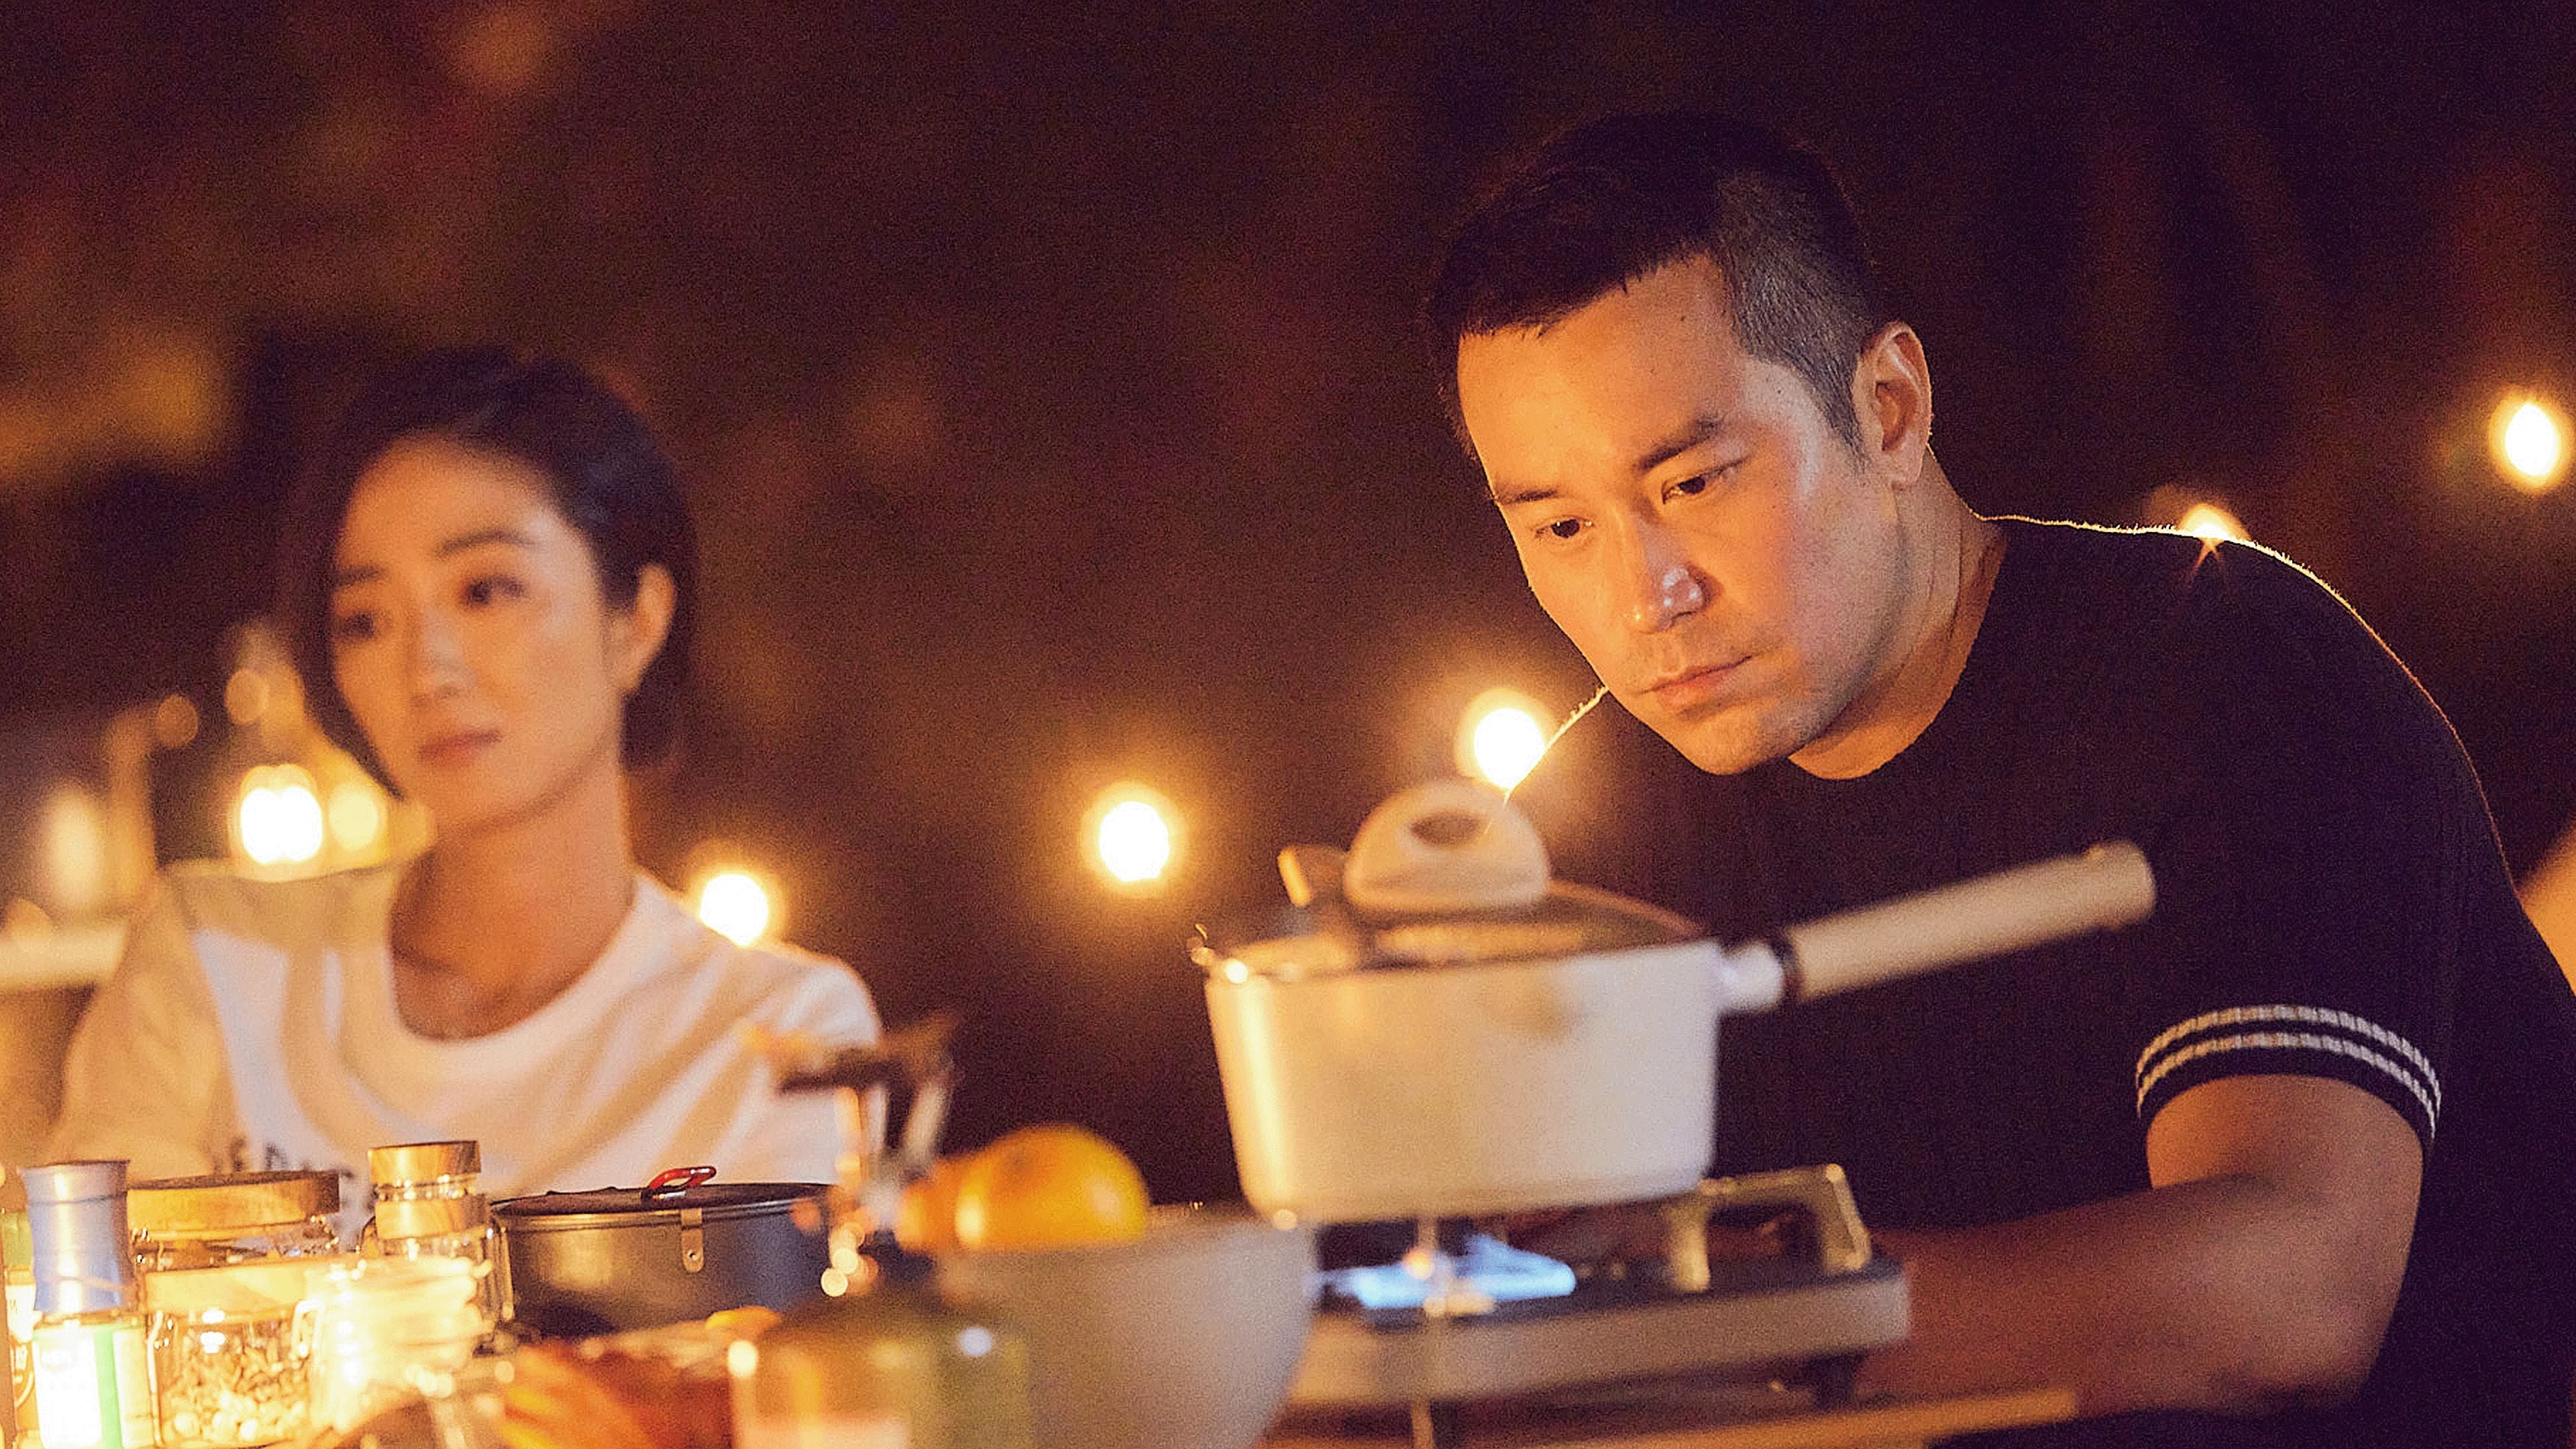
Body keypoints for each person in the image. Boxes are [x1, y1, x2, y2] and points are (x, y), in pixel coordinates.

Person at [1426, 113, 2576, 1446]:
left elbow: (2291, 1300)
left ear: (1889, 407)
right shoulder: (1590, 839)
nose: (1647, 597)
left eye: (1693, 482)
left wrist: (1710, 1304)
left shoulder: (2231, 673)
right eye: (1562, 525)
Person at [47, 348, 877, 1224]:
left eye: (485, 590)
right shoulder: (218, 964)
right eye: (366, 620)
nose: (427, 667)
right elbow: (80, 1293)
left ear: (637, 618)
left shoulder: (775, 1035)